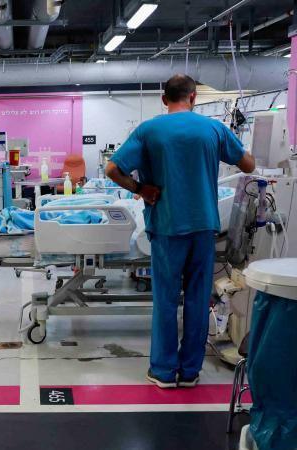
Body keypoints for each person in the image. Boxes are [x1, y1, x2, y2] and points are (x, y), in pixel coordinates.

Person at [106, 74, 255, 389]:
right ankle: (190, 372)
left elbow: (112, 169)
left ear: (164, 99)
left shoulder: (150, 130)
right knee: (199, 299)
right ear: (194, 98)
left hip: (167, 225)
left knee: (166, 299)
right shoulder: (214, 129)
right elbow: (249, 166)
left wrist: (141, 189)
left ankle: (163, 372)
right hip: (204, 225)